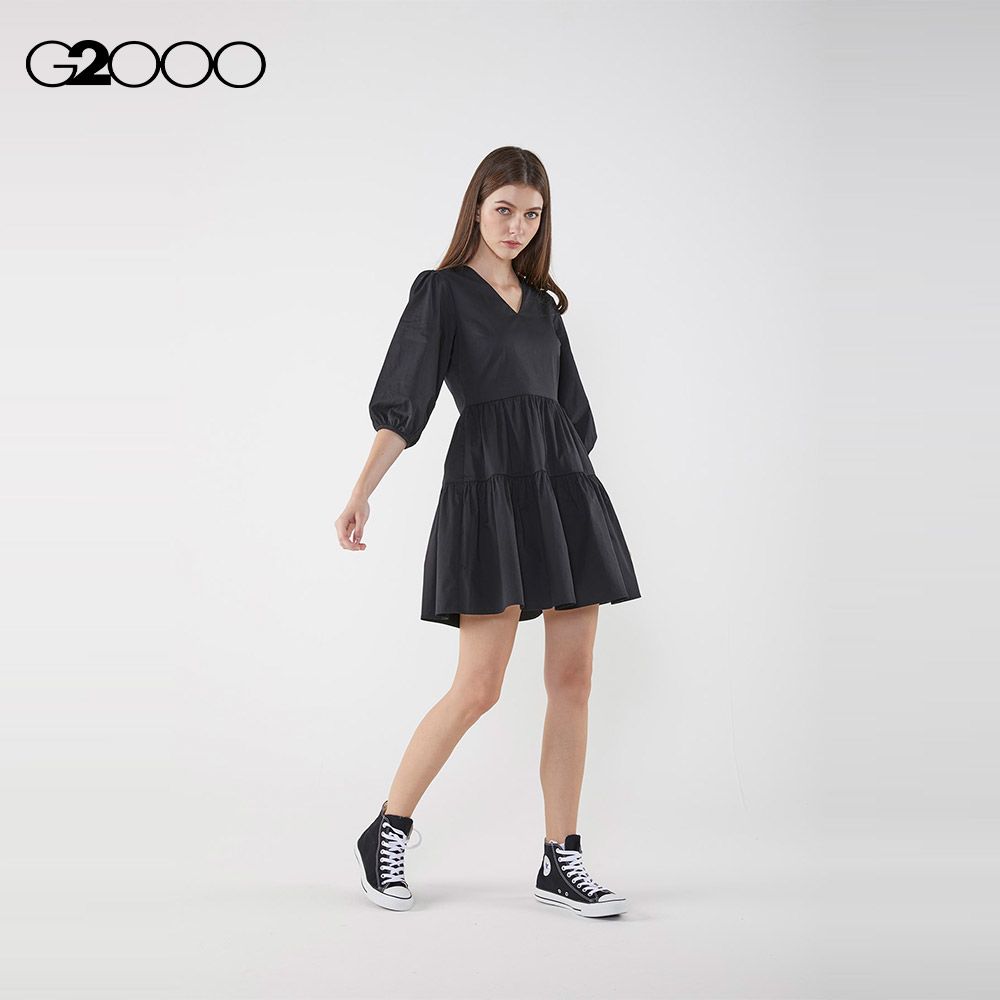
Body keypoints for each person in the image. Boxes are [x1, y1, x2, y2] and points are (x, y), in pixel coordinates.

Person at [336, 146, 640, 918]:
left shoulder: (543, 309)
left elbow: (574, 418)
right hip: (488, 493)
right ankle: (387, 828)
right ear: (476, 207)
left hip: (563, 494)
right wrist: (362, 491)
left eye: (532, 214)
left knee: (573, 681)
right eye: (504, 209)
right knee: (479, 686)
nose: (517, 226)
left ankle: (560, 859)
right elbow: (404, 400)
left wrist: (565, 487)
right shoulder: (441, 292)